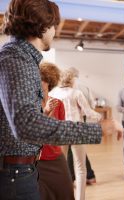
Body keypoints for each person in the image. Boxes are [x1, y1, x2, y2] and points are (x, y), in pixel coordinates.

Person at [0, 1, 123, 200]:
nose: (55, 31)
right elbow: (25, 125)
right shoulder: (16, 59)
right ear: (42, 25)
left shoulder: (22, 59)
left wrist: (41, 115)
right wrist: (98, 129)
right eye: (54, 25)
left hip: (22, 170)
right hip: (15, 174)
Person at [50, 68, 112, 200]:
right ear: (72, 79)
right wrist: (100, 118)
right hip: (77, 130)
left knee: (63, 166)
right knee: (80, 168)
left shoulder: (54, 93)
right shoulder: (76, 93)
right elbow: (88, 112)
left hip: (61, 130)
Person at [38, 62, 74, 200]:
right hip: (36, 160)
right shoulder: (30, 104)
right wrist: (46, 112)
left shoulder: (58, 104)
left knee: (66, 192)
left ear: (48, 82)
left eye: (40, 79)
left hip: (55, 157)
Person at [67, 67, 98, 185]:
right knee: (78, 148)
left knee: (71, 149)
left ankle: (72, 178)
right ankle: (90, 176)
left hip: (71, 120)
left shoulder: (69, 87)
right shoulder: (86, 87)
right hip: (82, 119)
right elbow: (93, 105)